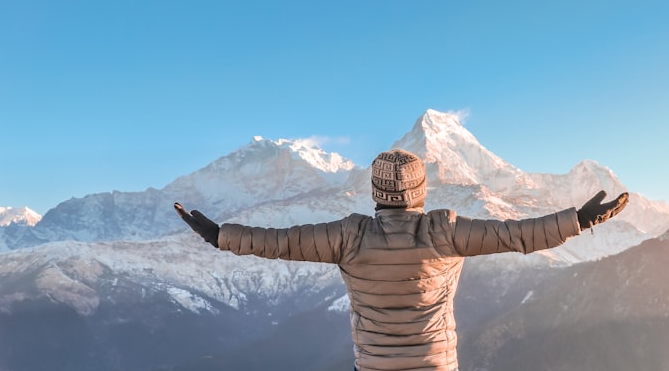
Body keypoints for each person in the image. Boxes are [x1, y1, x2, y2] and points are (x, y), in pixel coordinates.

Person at [175, 148, 629, 371]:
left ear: (376, 194)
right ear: (419, 191)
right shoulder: (445, 232)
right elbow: (519, 236)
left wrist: (220, 236)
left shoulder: (346, 237)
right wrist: (579, 220)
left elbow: (278, 241)